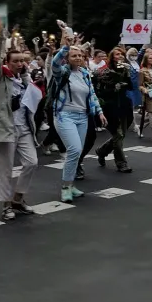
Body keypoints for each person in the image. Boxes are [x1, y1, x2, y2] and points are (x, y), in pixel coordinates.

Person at [0, 21, 41, 221]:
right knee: (6, 170)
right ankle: (6, 205)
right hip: (5, 128)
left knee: (31, 163)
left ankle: (18, 199)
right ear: (7, 63)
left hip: (24, 128)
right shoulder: (1, 78)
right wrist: (0, 37)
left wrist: (29, 81)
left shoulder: (25, 79)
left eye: (22, 61)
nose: (19, 64)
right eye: (15, 61)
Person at [50, 32, 106, 203]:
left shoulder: (84, 73)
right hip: (64, 115)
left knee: (76, 153)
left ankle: (71, 184)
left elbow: (92, 95)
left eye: (80, 55)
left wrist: (99, 112)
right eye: (74, 55)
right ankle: (65, 187)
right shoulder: (62, 72)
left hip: (82, 117)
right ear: (67, 57)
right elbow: (54, 63)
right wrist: (65, 47)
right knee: (73, 150)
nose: (78, 58)